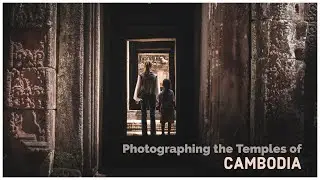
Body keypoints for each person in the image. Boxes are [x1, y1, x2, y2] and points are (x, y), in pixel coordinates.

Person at [133, 61, 160, 136]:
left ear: (145, 66)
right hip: (152, 96)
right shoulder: (154, 76)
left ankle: (144, 132)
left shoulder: (141, 75)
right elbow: (156, 89)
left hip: (144, 96)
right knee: (152, 115)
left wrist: (136, 97)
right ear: (151, 66)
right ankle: (153, 132)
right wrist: (157, 99)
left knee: (144, 115)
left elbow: (138, 87)